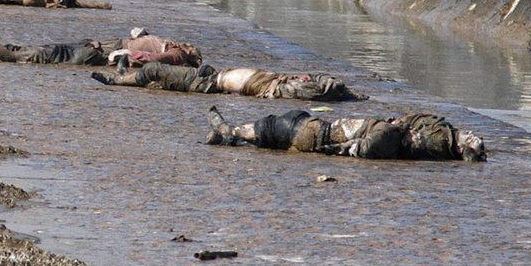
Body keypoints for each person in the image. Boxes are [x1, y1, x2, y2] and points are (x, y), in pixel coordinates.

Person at [204, 106, 486, 161]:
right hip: (321, 132)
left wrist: (342, 149)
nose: (472, 136)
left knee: (277, 127)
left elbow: (379, 140)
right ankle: (231, 135)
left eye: (472, 141)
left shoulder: (435, 139)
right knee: (278, 128)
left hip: (320, 134)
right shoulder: (438, 131)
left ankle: (228, 133)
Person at [91, 62, 366, 101]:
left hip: (208, 82)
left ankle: (117, 79)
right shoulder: (281, 82)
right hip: (213, 77)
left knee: (153, 72)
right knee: (153, 81)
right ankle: (122, 76)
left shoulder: (282, 88)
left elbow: (325, 86)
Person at [0, 28, 201, 67]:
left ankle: (13, 56)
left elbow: (154, 59)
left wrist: (130, 53)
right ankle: (15, 49)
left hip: (107, 53)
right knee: (57, 48)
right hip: (105, 45)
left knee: (58, 54)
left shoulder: (176, 54)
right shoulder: (168, 44)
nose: (189, 45)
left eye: (192, 48)